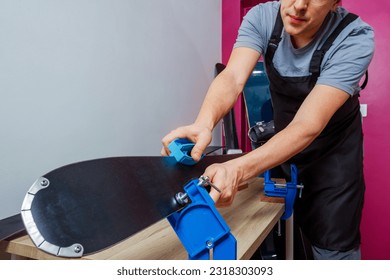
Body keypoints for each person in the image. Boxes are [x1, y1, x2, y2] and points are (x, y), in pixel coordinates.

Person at [161, 0, 374, 260]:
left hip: (334, 166)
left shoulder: (354, 38)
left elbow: (307, 125)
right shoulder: (262, 17)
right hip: (284, 154)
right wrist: (203, 123)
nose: (298, 6)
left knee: (334, 248)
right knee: (287, 239)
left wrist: (237, 169)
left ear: (335, 3)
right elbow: (232, 78)